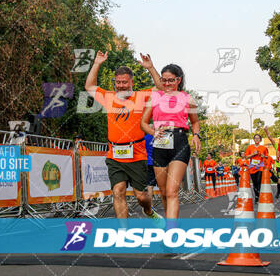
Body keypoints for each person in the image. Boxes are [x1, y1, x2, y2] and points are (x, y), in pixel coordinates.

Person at [85, 50, 164, 222]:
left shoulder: (141, 96)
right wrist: (97, 63)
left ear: (131, 82)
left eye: (124, 82)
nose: (120, 85)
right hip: (115, 155)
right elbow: (89, 87)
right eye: (118, 82)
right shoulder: (109, 97)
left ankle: (149, 212)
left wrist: (150, 68)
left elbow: (160, 88)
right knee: (118, 191)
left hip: (136, 154)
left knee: (141, 197)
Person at [140, 63, 201, 219]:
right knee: (164, 192)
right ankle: (170, 223)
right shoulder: (155, 97)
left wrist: (196, 135)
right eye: (164, 80)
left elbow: (194, 121)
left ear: (178, 80)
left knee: (172, 191)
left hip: (179, 143)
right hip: (160, 144)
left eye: (171, 80)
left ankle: (171, 233)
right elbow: (143, 123)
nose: (167, 84)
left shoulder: (187, 98)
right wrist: (154, 132)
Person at [244, 134, 269, 202]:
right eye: (255, 138)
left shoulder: (263, 148)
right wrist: (253, 154)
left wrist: (264, 156)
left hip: (260, 166)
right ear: (254, 139)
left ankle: (259, 194)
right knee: (254, 182)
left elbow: (267, 157)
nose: (257, 139)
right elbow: (246, 157)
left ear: (260, 140)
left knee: (259, 180)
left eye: (258, 138)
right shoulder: (250, 147)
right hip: (252, 166)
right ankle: (256, 196)